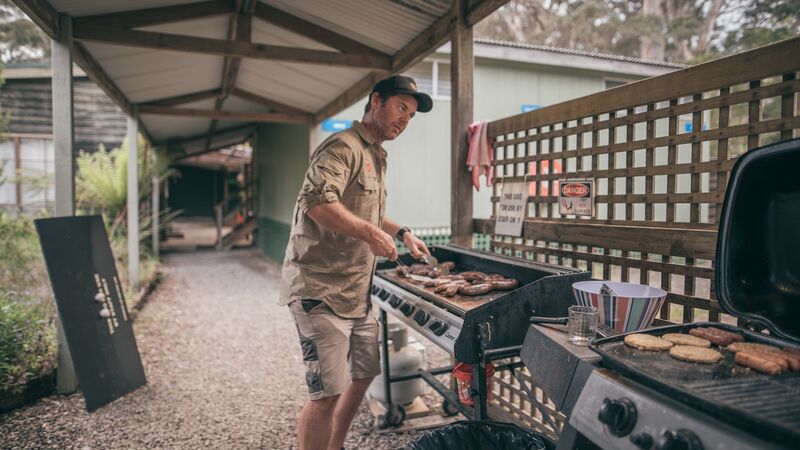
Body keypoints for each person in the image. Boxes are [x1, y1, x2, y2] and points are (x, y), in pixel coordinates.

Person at [278, 75, 433, 450]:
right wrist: (368, 234)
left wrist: (402, 232)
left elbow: (367, 213)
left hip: (356, 290)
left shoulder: (376, 154)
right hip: (320, 289)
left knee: (363, 375)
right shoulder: (342, 147)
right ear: (376, 101)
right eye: (401, 108)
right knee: (326, 394)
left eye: (411, 115)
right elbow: (316, 204)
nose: (405, 120)